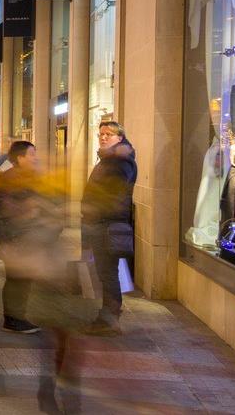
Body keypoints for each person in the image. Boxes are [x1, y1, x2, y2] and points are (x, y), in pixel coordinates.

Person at [82, 121, 137, 335]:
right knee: (106, 273)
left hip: (106, 224)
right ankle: (107, 316)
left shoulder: (120, 161)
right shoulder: (110, 158)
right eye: (101, 134)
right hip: (101, 223)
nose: (103, 137)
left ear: (120, 138)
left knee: (108, 274)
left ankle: (110, 320)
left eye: (109, 134)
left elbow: (114, 192)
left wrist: (94, 209)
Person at [0, 140, 48, 333]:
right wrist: (28, 209)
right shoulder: (10, 178)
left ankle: (17, 316)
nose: (35, 157)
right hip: (14, 236)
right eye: (31, 154)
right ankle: (13, 319)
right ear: (20, 158)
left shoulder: (27, 176)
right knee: (17, 278)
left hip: (25, 235)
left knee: (23, 277)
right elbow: (0, 204)